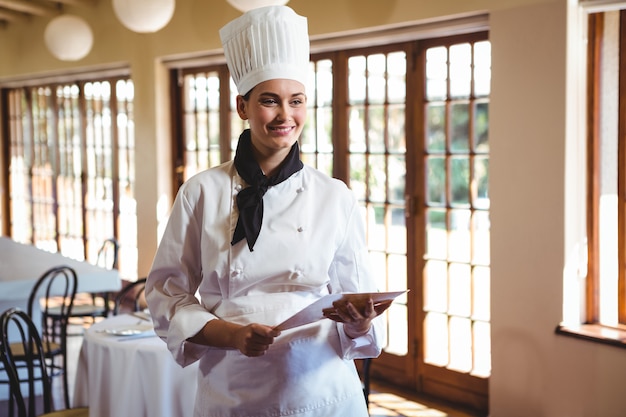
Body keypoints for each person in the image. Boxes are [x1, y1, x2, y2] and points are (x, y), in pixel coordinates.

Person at [145, 5, 389, 417]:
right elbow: (167, 296)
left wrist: (361, 321)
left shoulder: (335, 196)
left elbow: (354, 298)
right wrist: (233, 336)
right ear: (242, 106)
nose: (284, 115)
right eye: (269, 101)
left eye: (296, 102)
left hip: (322, 389)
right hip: (233, 387)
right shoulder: (200, 192)